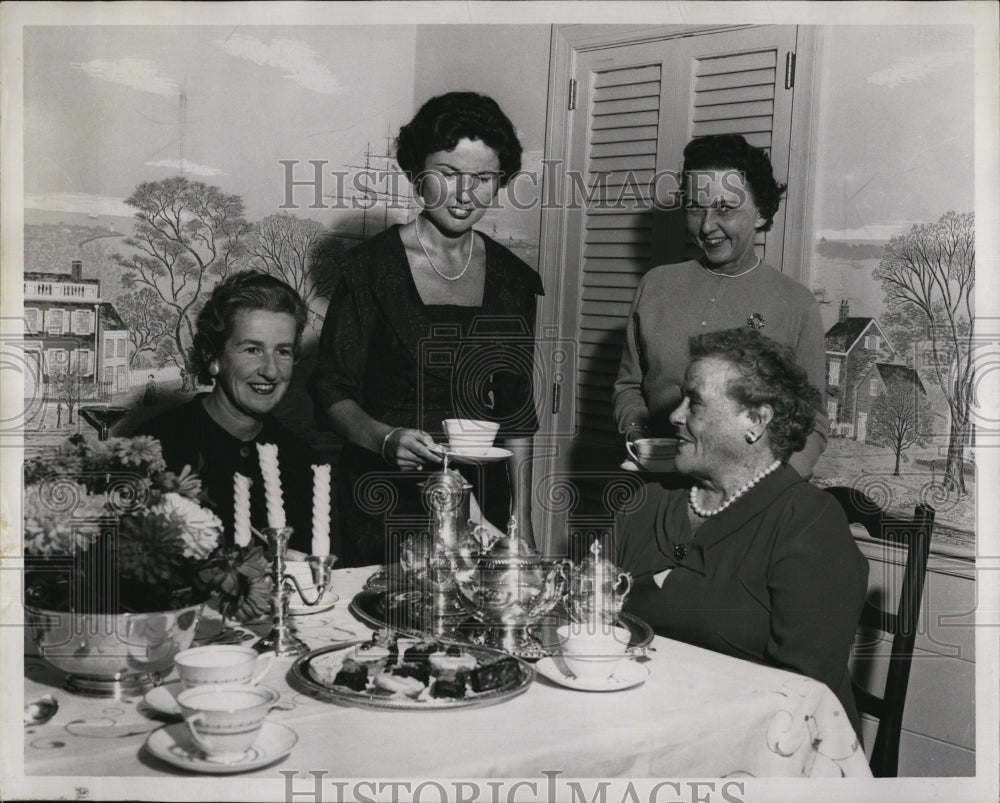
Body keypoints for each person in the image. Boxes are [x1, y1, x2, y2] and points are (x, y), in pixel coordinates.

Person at [310, 91, 543, 568]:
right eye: (448, 174)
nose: (464, 194)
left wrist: (524, 526)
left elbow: (517, 414)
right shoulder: (369, 269)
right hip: (385, 501)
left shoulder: (515, 281)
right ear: (418, 174)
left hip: (481, 502)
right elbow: (330, 386)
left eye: (482, 178)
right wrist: (384, 439)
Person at [614, 328, 867, 739]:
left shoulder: (808, 524)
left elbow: (801, 698)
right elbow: (585, 621)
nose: (675, 416)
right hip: (638, 729)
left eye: (694, 402)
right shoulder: (645, 503)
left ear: (754, 421)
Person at [613, 133, 827, 478]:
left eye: (725, 208)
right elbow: (628, 388)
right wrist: (639, 437)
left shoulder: (795, 303)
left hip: (747, 498)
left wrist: (772, 492)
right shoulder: (656, 285)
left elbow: (813, 423)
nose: (707, 225)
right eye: (696, 207)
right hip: (654, 482)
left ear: (761, 212)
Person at [136, 271, 317, 553]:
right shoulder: (155, 448)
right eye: (252, 350)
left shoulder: (302, 461)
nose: (271, 371)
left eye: (283, 352)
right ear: (212, 357)